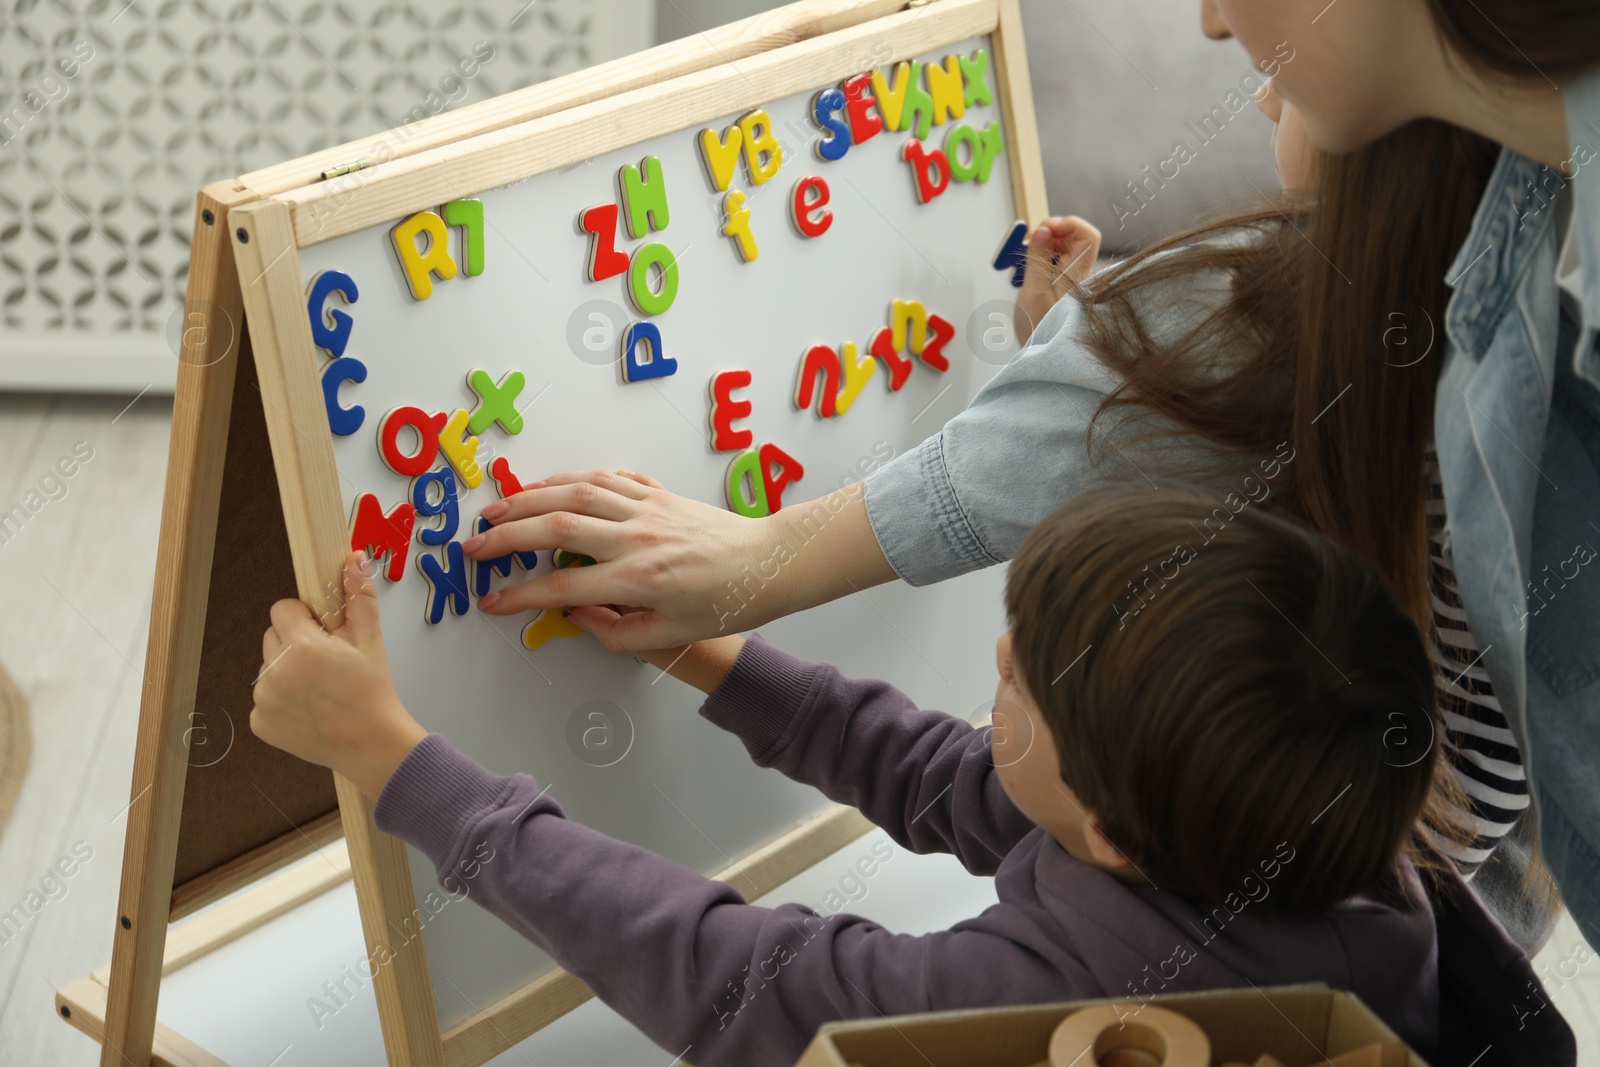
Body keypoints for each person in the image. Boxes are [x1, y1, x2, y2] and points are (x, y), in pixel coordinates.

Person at [460, 0, 1600, 946]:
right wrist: (723, 637)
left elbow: (751, 970)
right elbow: (934, 770)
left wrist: (418, 773)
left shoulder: (1163, 924)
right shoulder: (1473, 243)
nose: (1207, 21)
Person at [251, 489, 1574, 1067]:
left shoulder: (1056, 989)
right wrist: (721, 656)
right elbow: (968, 784)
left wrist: (394, 756)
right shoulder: (1305, 829)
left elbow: (733, 980)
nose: (993, 656)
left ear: (1113, 827)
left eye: (1022, 682)